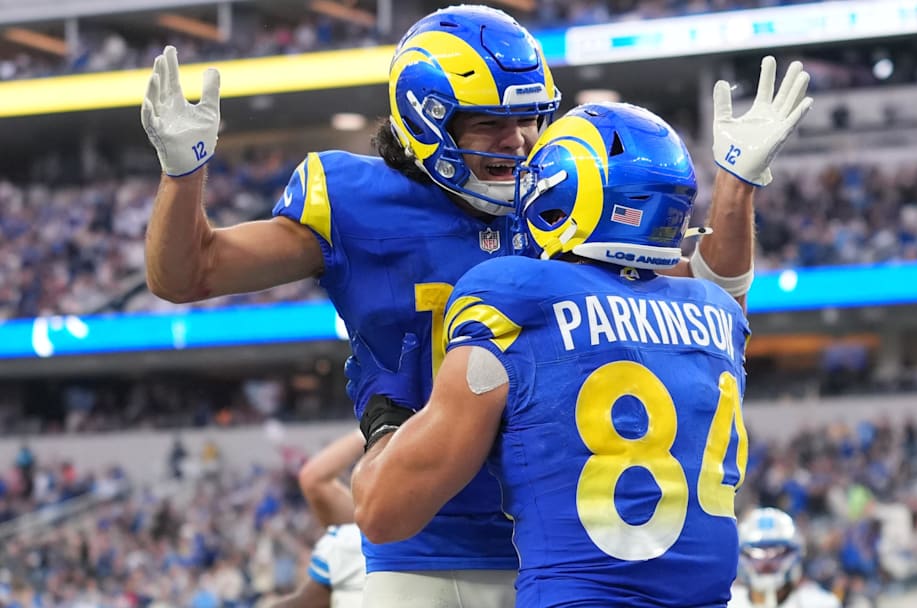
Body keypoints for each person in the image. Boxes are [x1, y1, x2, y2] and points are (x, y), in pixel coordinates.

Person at [141, 1, 810, 602]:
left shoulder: (564, 195)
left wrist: (737, 187)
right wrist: (182, 173)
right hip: (417, 538)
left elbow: (703, 290)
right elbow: (188, 274)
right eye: (490, 123)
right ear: (427, 119)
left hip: (548, 546)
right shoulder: (355, 200)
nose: (517, 141)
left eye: (529, 119)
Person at [352, 101, 757, 606]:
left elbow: (384, 512)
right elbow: (718, 285)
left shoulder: (514, 295)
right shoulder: (719, 314)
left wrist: (385, 421)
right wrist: (739, 185)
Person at [269, 429, 367, 608]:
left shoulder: (346, 541)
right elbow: (313, 480)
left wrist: (377, 426)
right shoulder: (355, 535)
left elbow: (313, 479)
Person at [728, 508, 841, 608]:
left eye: (777, 552)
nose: (767, 562)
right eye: (756, 553)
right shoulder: (729, 602)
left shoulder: (819, 603)